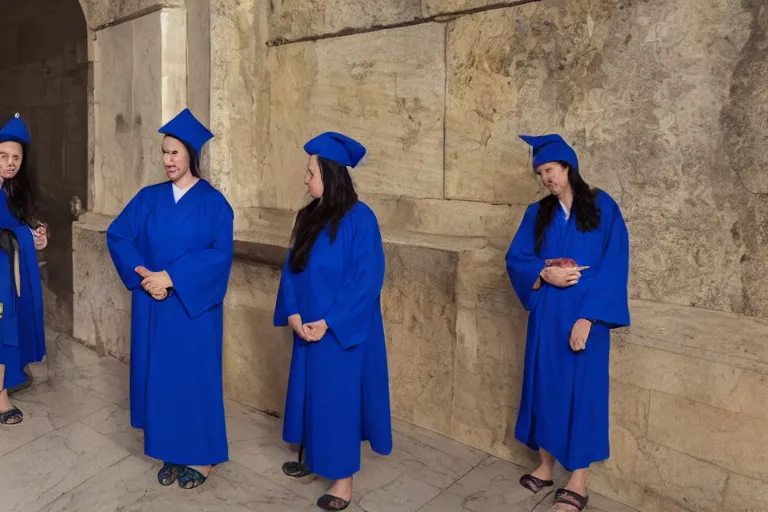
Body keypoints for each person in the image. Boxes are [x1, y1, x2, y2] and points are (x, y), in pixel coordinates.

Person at [106, 108, 234, 489]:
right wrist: (144, 274)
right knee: (160, 379)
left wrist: (172, 277)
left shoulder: (214, 203)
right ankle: (171, 452)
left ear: (192, 155)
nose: (168, 160)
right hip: (153, 305)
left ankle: (203, 456)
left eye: (175, 153)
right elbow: (118, 235)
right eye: (164, 153)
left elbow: (219, 255)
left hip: (192, 310)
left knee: (194, 380)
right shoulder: (148, 198)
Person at [505, 134, 630, 512]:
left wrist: (588, 319)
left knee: (582, 394)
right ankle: (545, 466)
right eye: (540, 172)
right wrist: (545, 272)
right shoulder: (537, 213)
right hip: (547, 313)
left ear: (568, 167)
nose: (546, 178)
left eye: (551, 170)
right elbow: (516, 258)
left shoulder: (601, 206)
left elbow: (615, 264)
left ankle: (578, 479)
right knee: (545, 387)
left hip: (585, 314)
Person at [274, 132, 392, 511]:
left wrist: (329, 322)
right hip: (306, 327)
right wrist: (292, 311)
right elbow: (291, 268)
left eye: (310, 172)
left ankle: (342, 480)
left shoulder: (361, 219)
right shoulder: (307, 215)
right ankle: (312, 457)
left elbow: (367, 280)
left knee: (337, 403)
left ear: (329, 173)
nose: (305, 179)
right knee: (311, 396)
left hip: (341, 332)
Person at [0, 113, 47, 426]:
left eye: (16, 157)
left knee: (6, 329)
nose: (10, 163)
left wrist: (38, 235)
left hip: (8, 273)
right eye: (3, 156)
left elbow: (21, 226)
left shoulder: (14, 191)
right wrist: (21, 237)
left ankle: (2, 390)